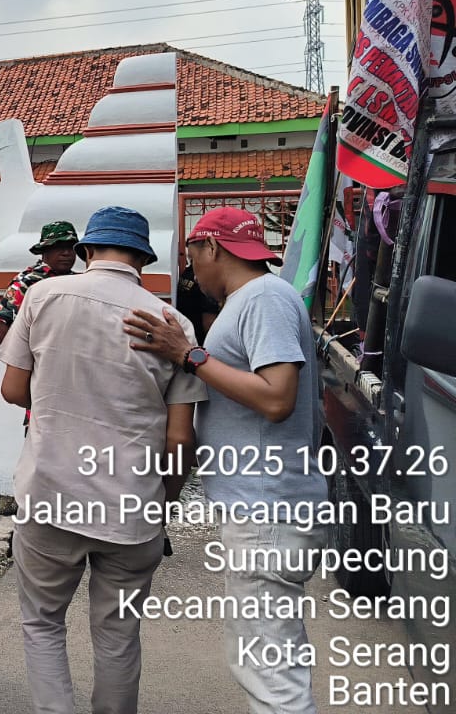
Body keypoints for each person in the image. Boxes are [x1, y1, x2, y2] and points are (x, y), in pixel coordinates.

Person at [0, 206, 205, 714]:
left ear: (87, 251)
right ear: (143, 259)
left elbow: (13, 390)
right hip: (132, 508)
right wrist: (165, 502)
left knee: (43, 623)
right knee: (118, 636)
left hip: (50, 495)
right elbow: (181, 439)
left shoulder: (43, 296)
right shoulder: (174, 325)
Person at [126, 206, 327, 714]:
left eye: (191, 257)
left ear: (211, 247)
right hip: (267, 508)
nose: (191, 272)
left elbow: (277, 398)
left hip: (267, 511)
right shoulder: (257, 298)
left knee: (270, 672)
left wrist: (188, 355)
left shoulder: (262, 298)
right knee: (267, 658)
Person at [0, 221, 78, 344]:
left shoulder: (78, 281)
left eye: (71, 247)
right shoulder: (27, 282)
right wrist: (19, 355)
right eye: (59, 247)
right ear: (44, 251)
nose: (66, 253)